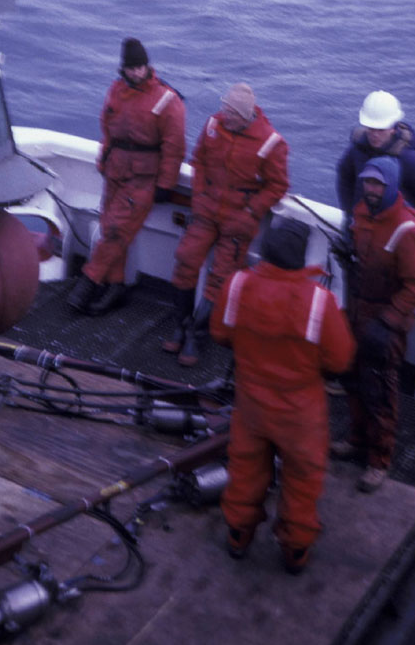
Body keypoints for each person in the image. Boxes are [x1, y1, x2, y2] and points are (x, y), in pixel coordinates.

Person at [210, 215, 355, 574]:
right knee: (302, 479)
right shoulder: (319, 303)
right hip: (300, 413)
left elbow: (220, 334)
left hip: (252, 405)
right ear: (301, 256)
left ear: (268, 250)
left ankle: (238, 535)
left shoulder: (238, 284)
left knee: (245, 468)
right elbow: (340, 359)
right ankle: (295, 551)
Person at [162, 82, 289, 367]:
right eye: (224, 109)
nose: (223, 115)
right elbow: (199, 162)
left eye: (230, 112)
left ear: (245, 116)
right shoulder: (212, 126)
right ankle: (180, 325)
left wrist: (251, 212)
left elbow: (278, 185)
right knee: (185, 260)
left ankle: (198, 334)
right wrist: (200, 198)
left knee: (220, 277)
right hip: (206, 211)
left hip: (238, 219)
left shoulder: (271, 144)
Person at [334, 156, 415, 492]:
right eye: (367, 182)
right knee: (352, 381)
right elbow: (363, 253)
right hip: (357, 312)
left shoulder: (408, 232)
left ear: (391, 186)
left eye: (377, 184)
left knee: (380, 393)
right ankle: (356, 440)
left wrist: (387, 321)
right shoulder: (362, 213)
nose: (370, 189)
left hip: (384, 325)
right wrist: (347, 255)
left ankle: (379, 460)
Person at [67, 38, 185, 316]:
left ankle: (88, 281)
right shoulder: (116, 90)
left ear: (148, 66)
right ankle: (116, 286)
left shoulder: (168, 101)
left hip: (143, 177)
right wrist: (103, 158)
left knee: (117, 231)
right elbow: (107, 128)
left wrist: (166, 184)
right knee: (110, 230)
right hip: (115, 171)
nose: (136, 72)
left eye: (140, 67)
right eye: (131, 68)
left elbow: (174, 147)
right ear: (123, 68)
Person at [336, 89, 415, 230]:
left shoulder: (409, 160)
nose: (374, 135)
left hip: (393, 240)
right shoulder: (357, 149)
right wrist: (350, 213)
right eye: (371, 128)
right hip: (360, 230)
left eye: (381, 129)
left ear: (394, 128)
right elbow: (344, 175)